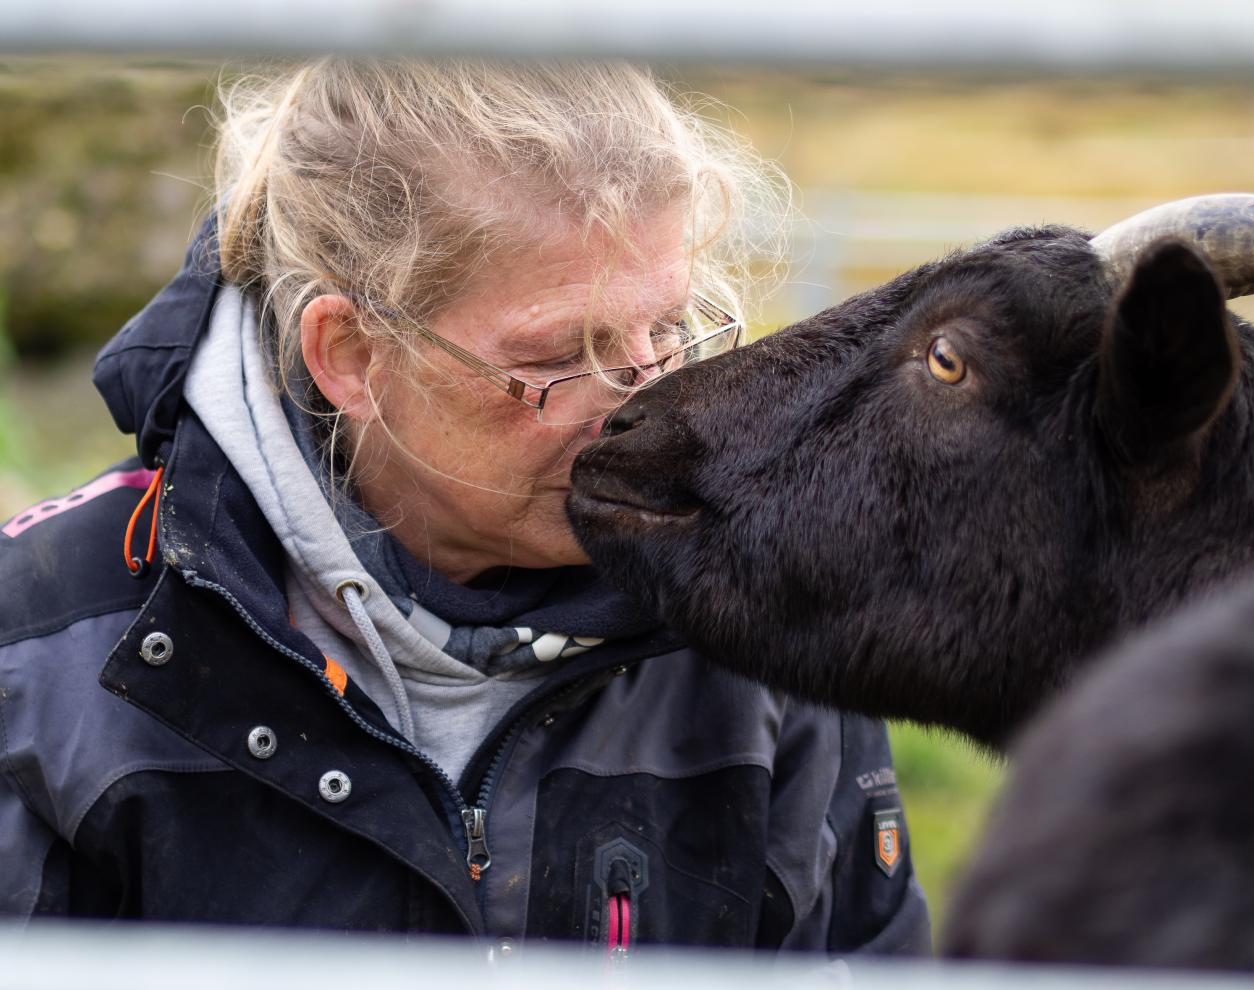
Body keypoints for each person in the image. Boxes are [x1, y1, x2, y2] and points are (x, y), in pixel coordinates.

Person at [0, 59, 929, 955]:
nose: (640, 403)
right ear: (350, 353)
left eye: (669, 328)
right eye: (558, 355)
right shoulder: (43, 659)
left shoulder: (769, 628)